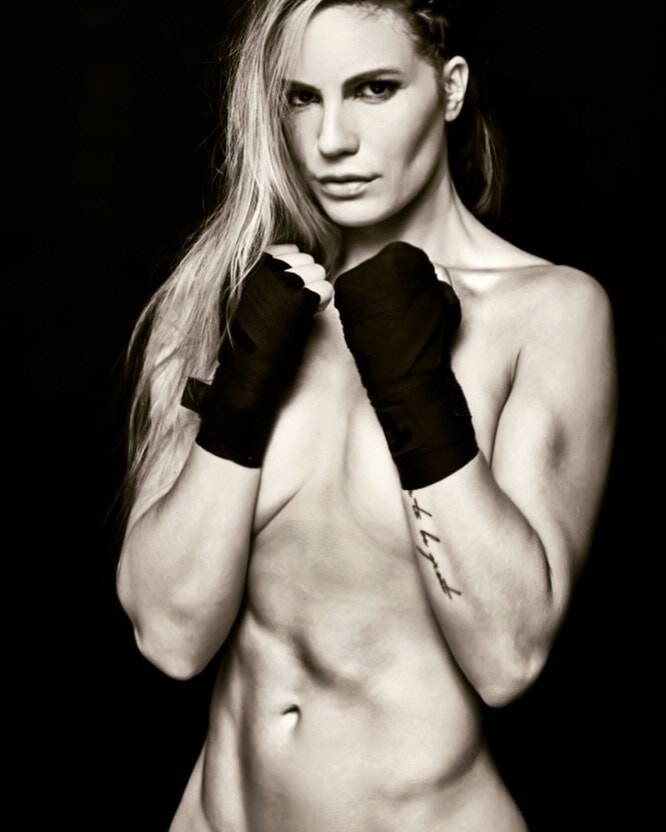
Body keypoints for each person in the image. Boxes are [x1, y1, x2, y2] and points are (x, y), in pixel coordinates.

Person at [116, 0, 617, 829]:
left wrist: (416, 391)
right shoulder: (224, 300)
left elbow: (509, 657)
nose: (331, 140)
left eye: (374, 89)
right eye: (302, 97)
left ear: (449, 88)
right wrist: (240, 391)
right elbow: (170, 638)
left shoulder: (548, 313)